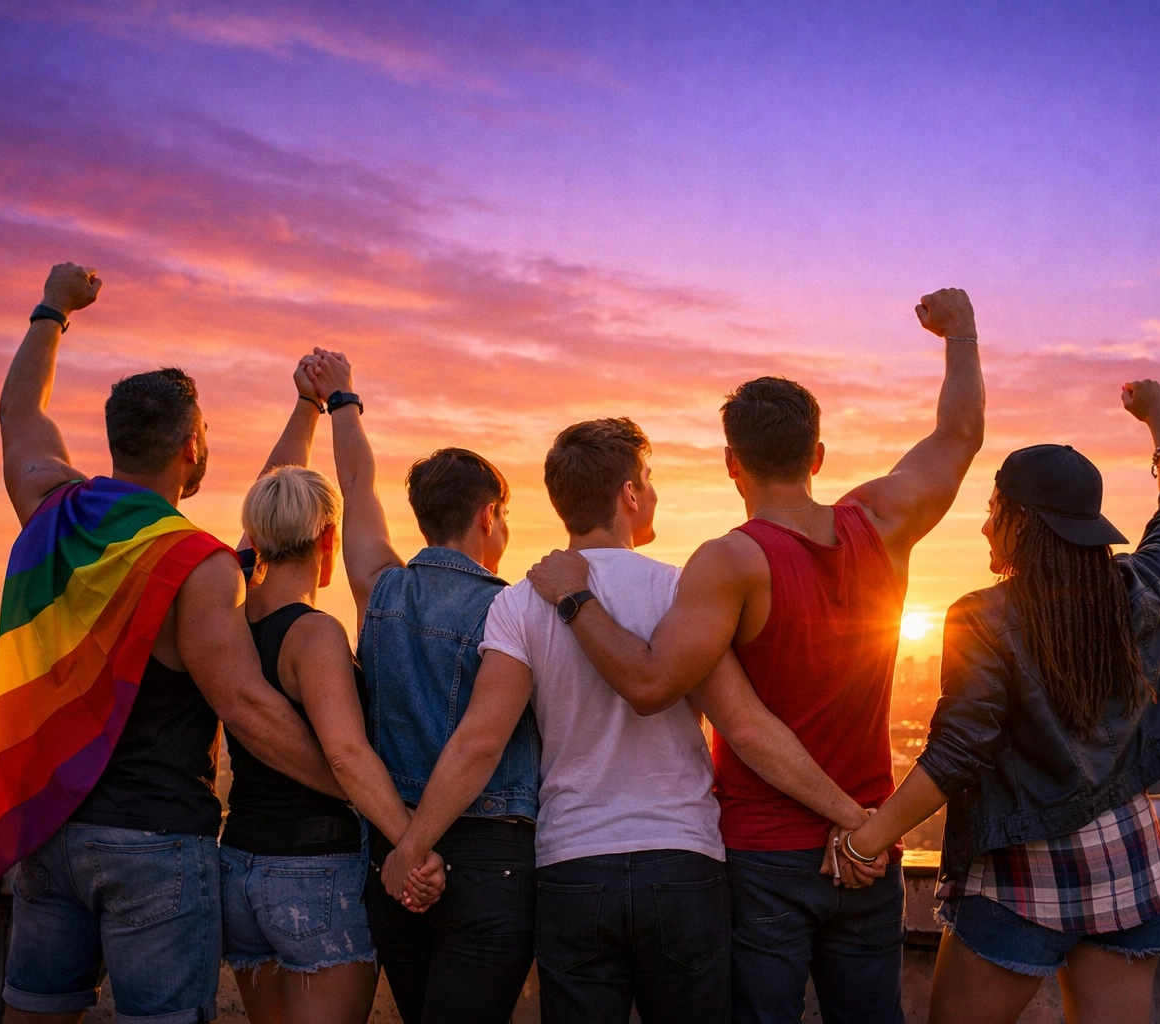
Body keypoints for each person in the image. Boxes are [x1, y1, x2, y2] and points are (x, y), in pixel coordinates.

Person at [525, 288, 985, 1023]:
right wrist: (960, 334)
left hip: (764, 854)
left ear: (732, 464)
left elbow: (650, 683)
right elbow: (959, 434)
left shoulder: (728, 563)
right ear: (819, 455)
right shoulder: (882, 520)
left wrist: (575, 598)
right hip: (869, 845)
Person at [384, 417, 887, 1024]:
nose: (651, 495)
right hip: (682, 863)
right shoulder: (682, 591)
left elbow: (480, 743)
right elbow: (747, 730)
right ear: (627, 494)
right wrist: (853, 818)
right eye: (646, 482)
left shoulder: (521, 601)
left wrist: (410, 847)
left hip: (572, 866)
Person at [0, 264, 348, 1023]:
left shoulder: (52, 507)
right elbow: (248, 707)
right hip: (153, 841)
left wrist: (53, 309)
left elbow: (18, 410)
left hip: (49, 829)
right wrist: (354, 782)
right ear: (192, 447)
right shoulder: (197, 565)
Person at [838, 380, 1160, 1024]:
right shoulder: (1140, 586)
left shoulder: (983, 618)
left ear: (1023, 523)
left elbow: (960, 748)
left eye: (995, 509)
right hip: (1127, 859)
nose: (986, 524)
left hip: (1022, 870)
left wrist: (864, 841)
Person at [300, 349, 539, 1024]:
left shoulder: (382, 591)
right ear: (489, 515)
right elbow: (481, 745)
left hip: (392, 851)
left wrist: (342, 399)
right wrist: (417, 851)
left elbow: (356, 484)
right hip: (488, 858)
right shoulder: (514, 609)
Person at [218, 361, 446, 1024]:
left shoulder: (231, 610)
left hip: (242, 868)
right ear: (329, 539)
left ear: (257, 535)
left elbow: (270, 490)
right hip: (314, 875)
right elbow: (346, 755)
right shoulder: (314, 636)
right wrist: (411, 843)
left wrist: (306, 409)